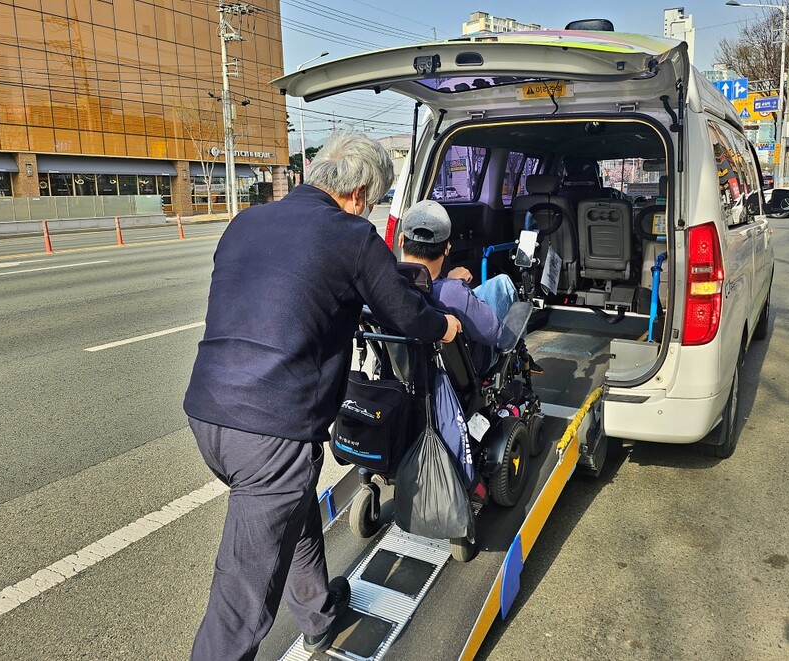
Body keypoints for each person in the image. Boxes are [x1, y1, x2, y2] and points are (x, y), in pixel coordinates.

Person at [183, 133, 462, 661]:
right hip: (269, 430)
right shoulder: (353, 237)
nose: (371, 212)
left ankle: (318, 615)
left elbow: (281, 295)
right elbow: (404, 314)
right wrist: (443, 326)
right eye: (374, 203)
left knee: (296, 503)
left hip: (207, 411)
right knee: (241, 598)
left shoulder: (247, 221)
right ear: (358, 193)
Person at [398, 199, 539, 376]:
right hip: (469, 368)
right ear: (447, 248)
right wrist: (457, 285)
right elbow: (493, 334)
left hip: (410, 366)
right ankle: (521, 354)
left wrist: (451, 282)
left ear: (401, 240)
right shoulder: (453, 293)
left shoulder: (388, 286)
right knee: (502, 284)